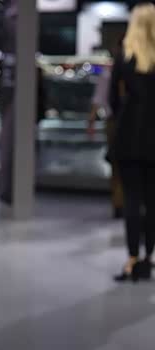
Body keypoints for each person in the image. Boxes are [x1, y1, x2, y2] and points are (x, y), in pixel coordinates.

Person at [109, 3, 155, 282]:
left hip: (128, 136)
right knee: (152, 201)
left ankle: (132, 259)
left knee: (132, 200)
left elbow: (113, 100)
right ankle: (149, 257)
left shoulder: (124, 57)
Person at [88, 46, 124, 220]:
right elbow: (99, 98)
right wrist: (91, 120)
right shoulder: (109, 73)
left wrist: (91, 120)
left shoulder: (110, 73)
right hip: (116, 122)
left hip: (119, 122)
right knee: (118, 163)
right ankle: (120, 202)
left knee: (119, 165)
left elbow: (98, 98)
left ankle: (121, 202)